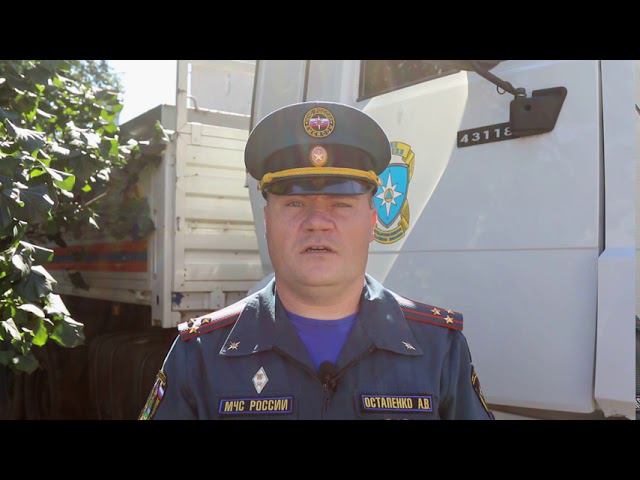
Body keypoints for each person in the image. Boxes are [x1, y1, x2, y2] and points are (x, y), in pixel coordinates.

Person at [139, 101, 494, 420]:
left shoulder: (438, 348)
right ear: (267, 222)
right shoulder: (201, 353)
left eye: (341, 204)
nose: (317, 222)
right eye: (295, 203)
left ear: (372, 222)